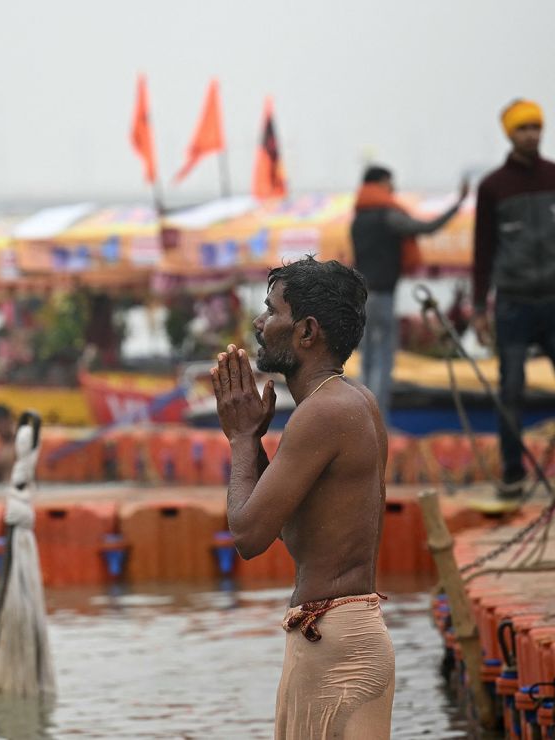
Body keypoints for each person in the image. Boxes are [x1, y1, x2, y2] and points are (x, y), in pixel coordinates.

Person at [211, 255, 393, 739]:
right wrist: (253, 441)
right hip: (335, 634)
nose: (259, 322)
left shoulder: (324, 413)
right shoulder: (352, 401)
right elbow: (287, 526)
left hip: (335, 644)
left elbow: (248, 534)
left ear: (307, 331)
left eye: (271, 310)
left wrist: (243, 442)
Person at [472, 99, 555, 498]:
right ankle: (512, 473)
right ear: (510, 134)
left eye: (536, 128)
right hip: (513, 304)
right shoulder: (492, 187)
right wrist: (478, 307)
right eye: (523, 129)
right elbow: (483, 249)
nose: (531, 135)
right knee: (511, 390)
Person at [351, 165, 467, 424]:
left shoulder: (358, 218)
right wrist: (457, 204)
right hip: (382, 295)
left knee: (367, 357)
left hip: (360, 296)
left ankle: (361, 416)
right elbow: (426, 228)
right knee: (383, 357)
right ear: (381, 184)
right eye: (390, 184)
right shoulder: (388, 217)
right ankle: (377, 418)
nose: (394, 189)